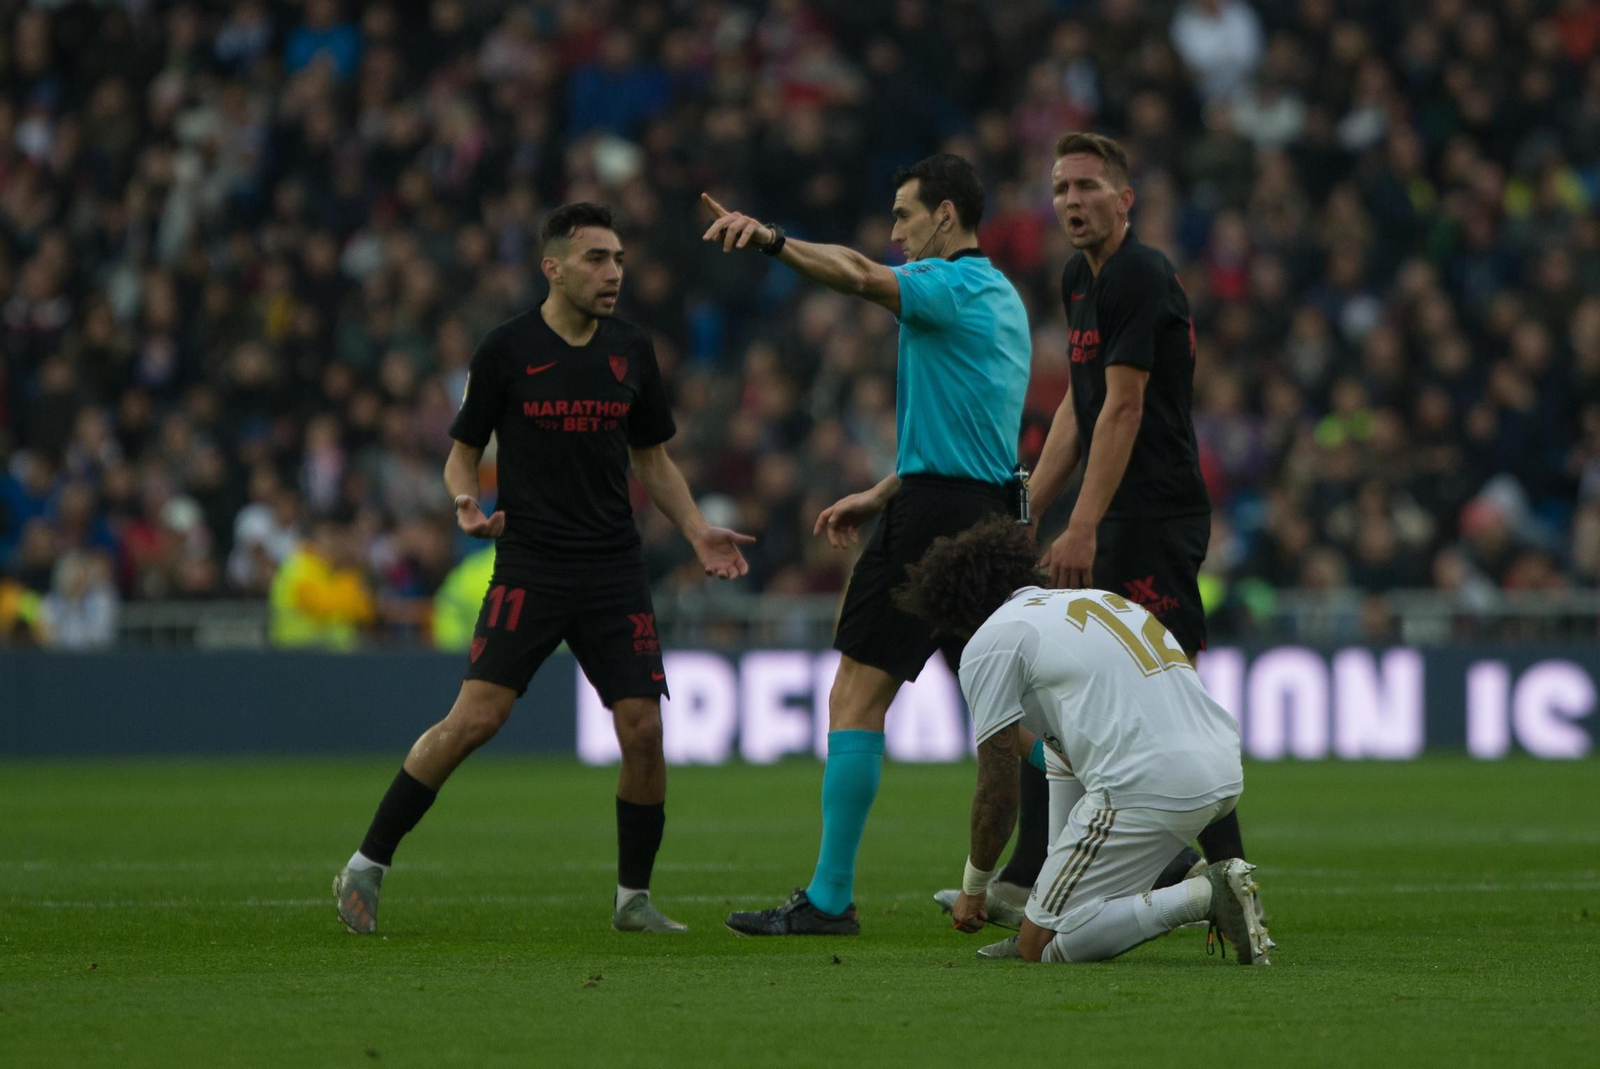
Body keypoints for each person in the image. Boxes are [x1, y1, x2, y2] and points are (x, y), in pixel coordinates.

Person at [333, 203, 756, 936]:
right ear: (552, 267)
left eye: (619, 257)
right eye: (596, 258)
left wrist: (695, 530)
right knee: (477, 719)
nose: (614, 272)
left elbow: (652, 459)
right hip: (532, 563)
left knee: (643, 730)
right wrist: (465, 501)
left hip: (614, 567)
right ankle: (366, 862)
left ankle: (634, 899)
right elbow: (461, 450)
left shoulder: (631, 350)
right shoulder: (505, 350)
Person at [702, 153, 1033, 936]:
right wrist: (886, 487)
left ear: (945, 215)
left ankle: (829, 896)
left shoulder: (946, 288)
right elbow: (974, 430)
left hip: (932, 522)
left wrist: (773, 242)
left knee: (857, 694)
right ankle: (1135, 848)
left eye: (904, 216)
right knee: (1011, 719)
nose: (895, 233)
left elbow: (854, 274)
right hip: (986, 514)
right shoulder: (1006, 300)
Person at [941, 131, 1251, 923]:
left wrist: (1080, 526)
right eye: (1060, 188)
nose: (1071, 201)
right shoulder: (1080, 277)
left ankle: (1235, 878)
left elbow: (1125, 406)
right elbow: (1080, 414)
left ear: (1125, 199)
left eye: (1086, 186)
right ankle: (1035, 872)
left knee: (1167, 690)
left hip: (1155, 516)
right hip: (1111, 514)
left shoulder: (1140, 276)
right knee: (1067, 693)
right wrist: (1027, 510)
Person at [897, 517, 1270, 965]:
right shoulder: (1097, 602)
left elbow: (997, 792)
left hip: (1146, 786)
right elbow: (1062, 760)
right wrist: (1049, 891)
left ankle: (1202, 896)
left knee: (1041, 947)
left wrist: (973, 890)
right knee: (1053, 920)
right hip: (1223, 769)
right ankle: (1202, 887)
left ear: (955, 611)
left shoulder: (990, 642)